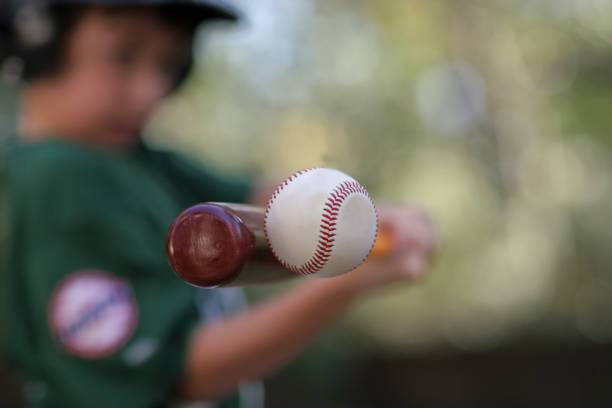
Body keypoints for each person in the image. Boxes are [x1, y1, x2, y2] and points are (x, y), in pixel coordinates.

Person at [0, 1, 437, 407]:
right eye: (123, 55)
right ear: (39, 41)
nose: (151, 90)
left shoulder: (136, 161)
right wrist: (345, 282)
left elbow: (270, 199)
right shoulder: (59, 177)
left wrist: (374, 217)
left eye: (169, 63)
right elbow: (176, 373)